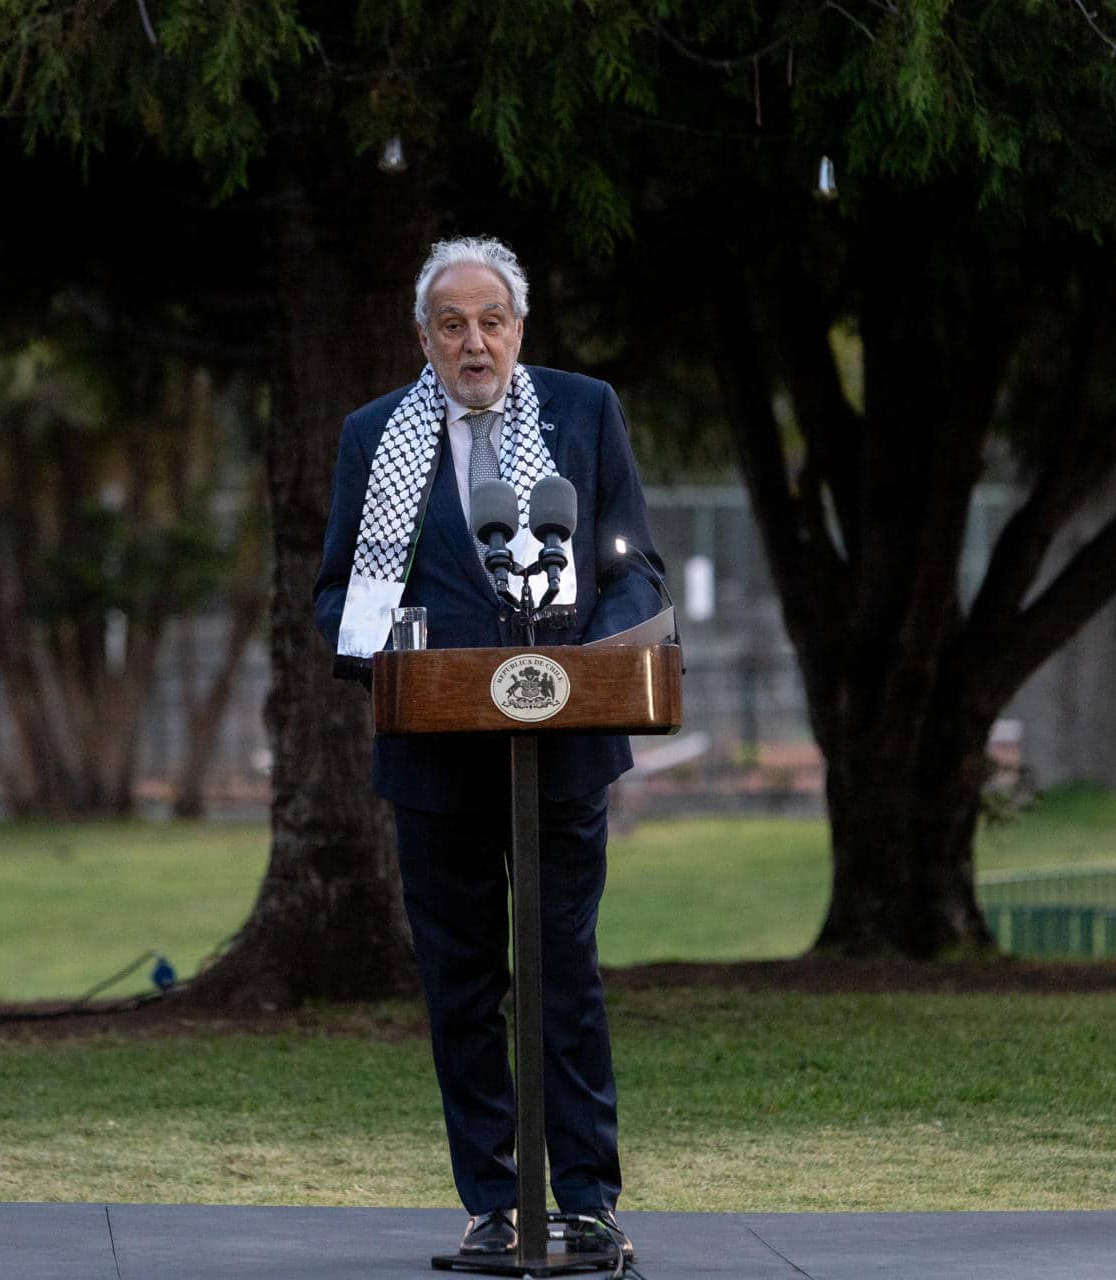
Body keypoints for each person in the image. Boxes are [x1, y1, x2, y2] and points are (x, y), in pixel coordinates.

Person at [313, 236, 666, 1260]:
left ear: (520, 326)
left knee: (563, 966)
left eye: (492, 321)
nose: (476, 342)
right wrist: (390, 654)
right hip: (435, 757)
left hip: (566, 745)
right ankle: (493, 1204)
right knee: (462, 980)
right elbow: (339, 591)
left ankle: (588, 1202)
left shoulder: (583, 412)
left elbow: (632, 561)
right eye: (453, 324)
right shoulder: (373, 434)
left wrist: (604, 652)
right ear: (422, 335)